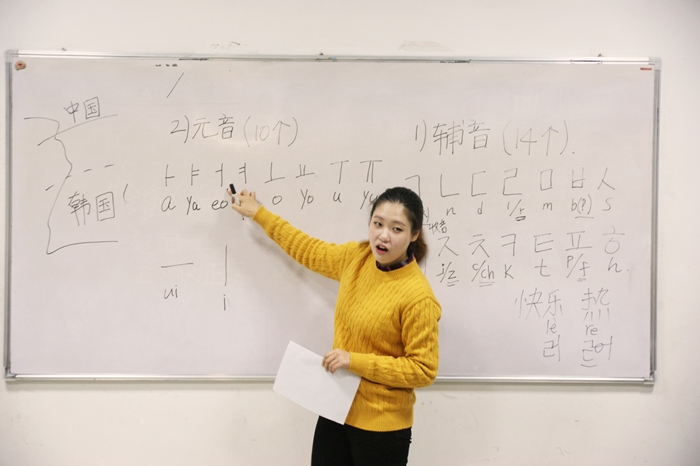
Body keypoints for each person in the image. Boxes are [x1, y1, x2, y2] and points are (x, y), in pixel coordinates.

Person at [228, 186, 441, 466]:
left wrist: (354, 361)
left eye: (397, 229)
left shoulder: (418, 297)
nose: (383, 235)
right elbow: (306, 248)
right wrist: (259, 213)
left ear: (414, 235)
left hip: (382, 426)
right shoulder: (357, 259)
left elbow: (423, 369)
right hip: (335, 408)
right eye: (378, 224)